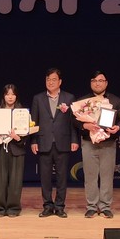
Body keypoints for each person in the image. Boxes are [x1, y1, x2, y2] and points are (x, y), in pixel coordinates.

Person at [30, 68, 78, 218]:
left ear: (60, 81)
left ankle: (60, 206)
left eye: (54, 79)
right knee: (45, 178)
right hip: (43, 142)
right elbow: (33, 122)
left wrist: (74, 140)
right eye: (48, 80)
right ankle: (47, 206)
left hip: (62, 142)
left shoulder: (69, 98)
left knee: (62, 177)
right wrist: (33, 140)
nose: (50, 82)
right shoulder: (38, 98)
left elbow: (73, 122)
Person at [75, 70, 120, 219]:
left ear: (106, 83)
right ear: (91, 83)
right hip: (89, 143)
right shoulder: (82, 102)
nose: (97, 83)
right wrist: (85, 126)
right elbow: (74, 121)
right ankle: (91, 206)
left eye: (101, 80)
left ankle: (105, 206)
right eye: (94, 80)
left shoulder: (115, 101)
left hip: (108, 143)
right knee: (90, 176)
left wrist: (117, 127)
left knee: (107, 176)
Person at [0, 84, 28, 217]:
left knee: (15, 181)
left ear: (16, 96)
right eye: (7, 94)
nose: (10, 97)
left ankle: (13, 208)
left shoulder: (22, 112)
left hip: (16, 149)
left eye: (13, 94)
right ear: (3, 96)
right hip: (0, 149)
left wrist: (18, 138)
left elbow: (27, 133)